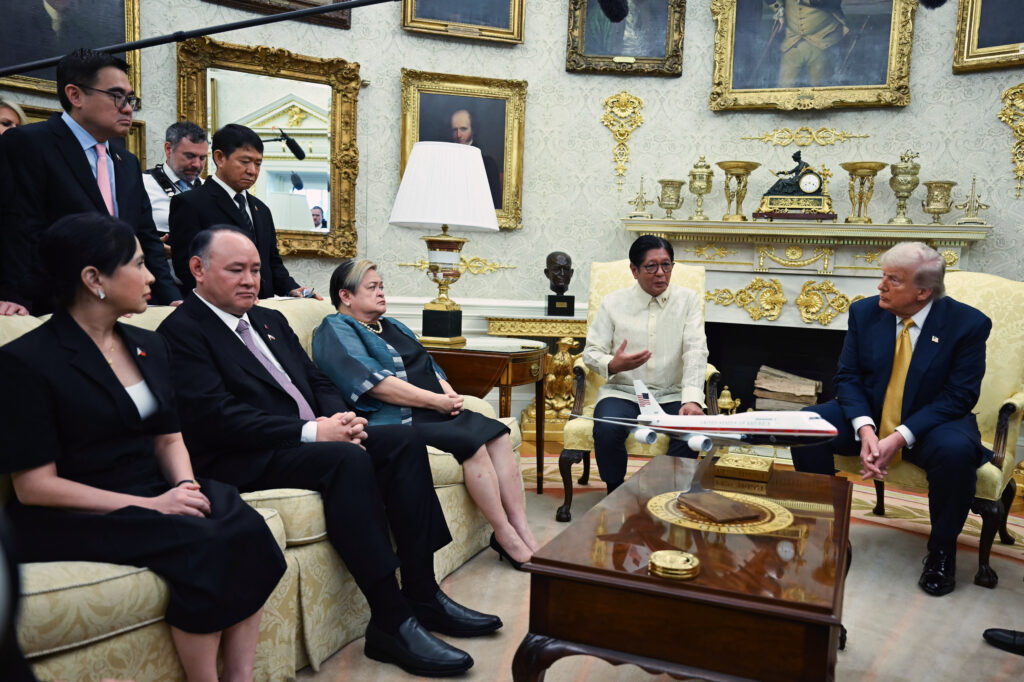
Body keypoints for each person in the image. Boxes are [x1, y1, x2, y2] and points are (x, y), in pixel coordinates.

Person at [157, 227, 499, 677]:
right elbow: (217, 418)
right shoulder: (182, 332)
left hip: (310, 436)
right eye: (236, 270)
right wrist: (314, 432)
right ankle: (390, 620)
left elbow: (316, 379)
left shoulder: (269, 319)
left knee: (403, 441)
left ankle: (422, 592)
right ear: (197, 269)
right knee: (346, 460)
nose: (250, 280)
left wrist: (343, 420)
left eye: (256, 269)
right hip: (246, 455)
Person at [0, 213, 286, 681]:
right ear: (93, 279)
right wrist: (154, 504)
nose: (152, 275)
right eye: (137, 263)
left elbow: (169, 437)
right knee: (204, 541)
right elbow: (35, 488)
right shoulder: (25, 362)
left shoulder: (149, 344)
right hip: (70, 512)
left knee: (243, 522)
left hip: (149, 487)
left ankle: (241, 676)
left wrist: (186, 487)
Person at [790, 242, 991, 597]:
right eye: (883, 276)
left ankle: (941, 552)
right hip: (871, 410)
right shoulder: (864, 312)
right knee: (806, 426)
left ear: (923, 292)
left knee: (957, 452)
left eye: (893, 280)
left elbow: (959, 396)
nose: (880, 286)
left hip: (933, 421)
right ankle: (824, 532)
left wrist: (897, 437)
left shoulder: (968, 325)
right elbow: (848, 377)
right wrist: (866, 430)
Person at [312, 259, 540, 567]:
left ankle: (521, 528)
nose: (381, 293)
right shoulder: (335, 329)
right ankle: (504, 535)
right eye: (372, 287)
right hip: (398, 419)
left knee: (498, 435)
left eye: (382, 286)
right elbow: (375, 384)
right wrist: (436, 402)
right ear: (346, 295)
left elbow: (429, 365)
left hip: (434, 409)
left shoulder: (393, 326)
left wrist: (449, 395)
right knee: (472, 445)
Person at [0, 49, 180, 313]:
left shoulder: (127, 162)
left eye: (130, 98)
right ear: (75, 95)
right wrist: (15, 299)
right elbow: (18, 229)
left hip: (123, 309)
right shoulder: (28, 143)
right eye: (116, 96)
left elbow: (146, 237)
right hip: (52, 307)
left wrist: (171, 298)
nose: (127, 108)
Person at [581, 235, 709, 493]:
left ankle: (669, 492)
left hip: (672, 393)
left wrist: (692, 400)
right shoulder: (613, 303)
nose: (661, 273)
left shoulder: (688, 300)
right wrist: (613, 364)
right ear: (634, 270)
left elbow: (695, 351)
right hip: (624, 392)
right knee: (607, 429)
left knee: (690, 429)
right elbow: (591, 352)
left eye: (666, 265)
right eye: (651, 266)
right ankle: (615, 490)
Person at [168, 123, 319, 300]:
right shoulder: (190, 203)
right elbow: (187, 267)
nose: (252, 171)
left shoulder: (261, 209)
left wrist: (294, 289)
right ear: (220, 158)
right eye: (245, 162)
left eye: (258, 164)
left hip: (263, 307)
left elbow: (272, 263)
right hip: (220, 306)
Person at [449, 109, 501, 208]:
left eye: (463, 129)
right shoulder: (446, 159)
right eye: (455, 130)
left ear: (473, 130)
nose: (458, 135)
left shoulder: (488, 164)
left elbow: (494, 203)